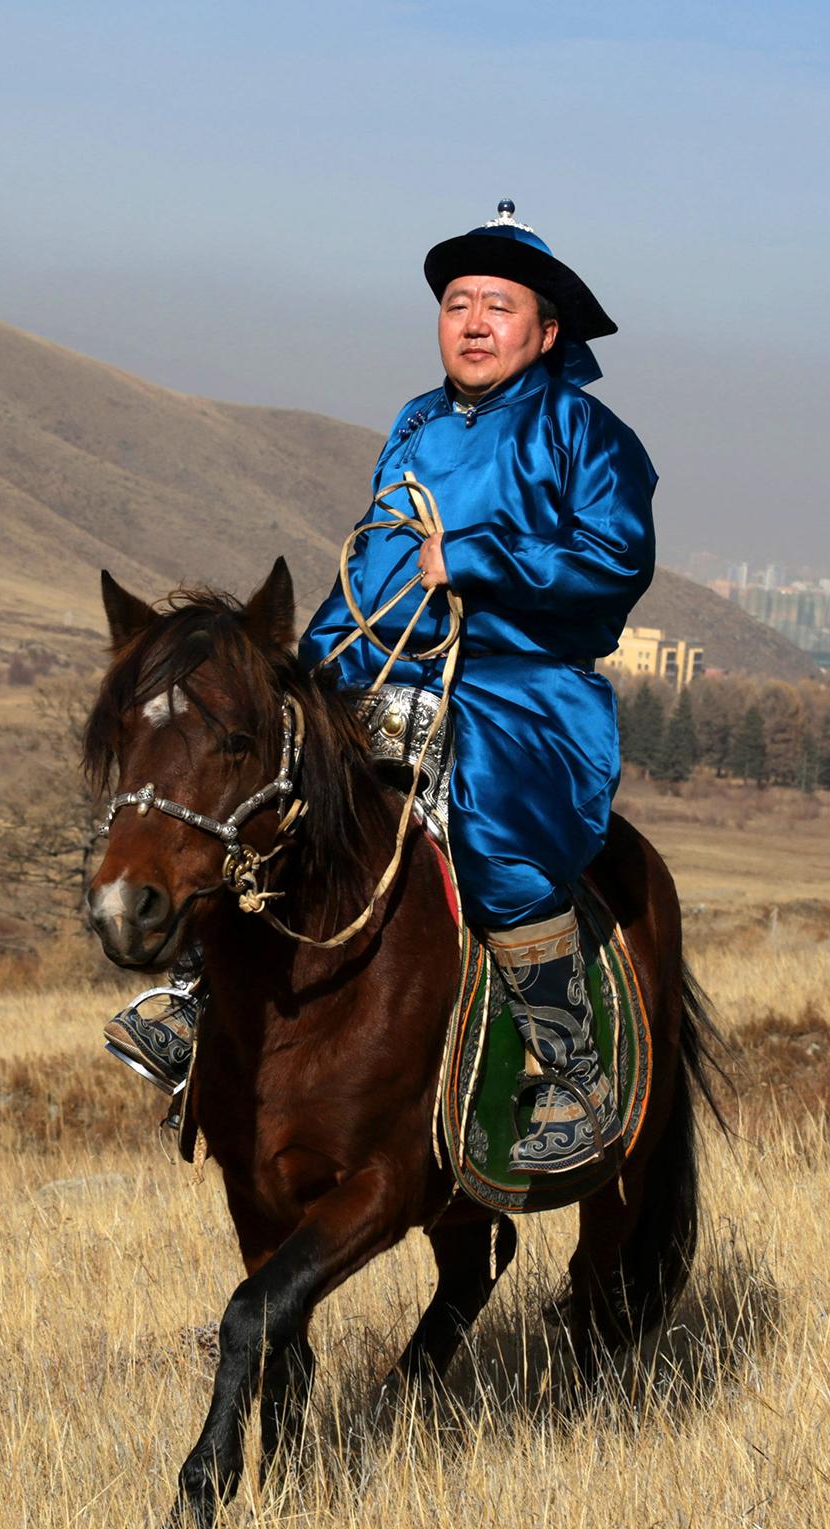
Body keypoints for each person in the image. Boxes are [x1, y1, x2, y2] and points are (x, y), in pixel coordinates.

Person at [108, 202, 656, 1175]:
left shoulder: (588, 435)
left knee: (495, 837)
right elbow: (369, 578)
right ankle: (198, 999)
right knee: (262, 794)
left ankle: (574, 1072)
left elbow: (613, 563)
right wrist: (301, 682)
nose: (474, 323)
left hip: (518, 693)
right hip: (381, 668)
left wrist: (478, 558)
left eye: (497, 305)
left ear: (547, 329)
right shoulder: (414, 422)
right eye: (456, 304)